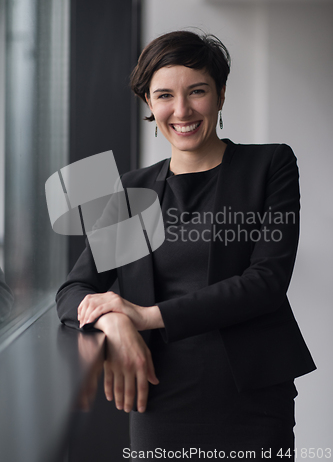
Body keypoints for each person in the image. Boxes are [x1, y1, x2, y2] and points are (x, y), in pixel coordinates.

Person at [56, 30, 316, 461]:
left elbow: (267, 281)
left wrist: (144, 316)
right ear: (148, 103)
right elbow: (73, 292)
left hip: (251, 399)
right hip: (158, 396)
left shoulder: (269, 165)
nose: (181, 110)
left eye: (197, 91)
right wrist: (116, 325)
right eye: (164, 96)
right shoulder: (132, 190)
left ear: (221, 95)